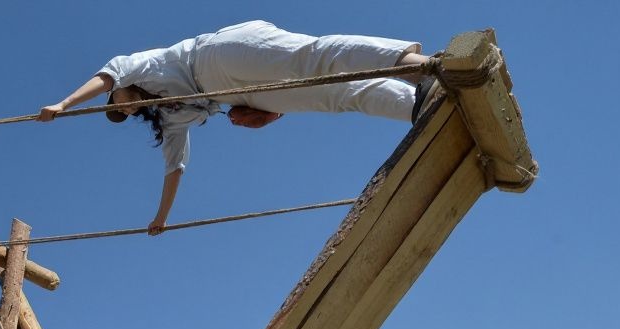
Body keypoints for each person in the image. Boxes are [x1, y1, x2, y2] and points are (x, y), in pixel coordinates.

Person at [38, 21, 435, 233]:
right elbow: (174, 168)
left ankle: (422, 67)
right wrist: (161, 218)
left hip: (217, 56)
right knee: (334, 95)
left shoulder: (140, 65)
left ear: (118, 91)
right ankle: (420, 105)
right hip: (234, 93)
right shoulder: (172, 115)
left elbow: (108, 73)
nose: (122, 108)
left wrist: (64, 104)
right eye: (121, 114)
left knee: (310, 60)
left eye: (116, 103)